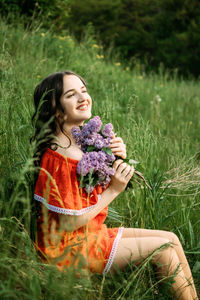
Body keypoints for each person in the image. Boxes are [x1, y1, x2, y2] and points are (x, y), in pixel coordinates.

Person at [32, 71, 198, 299]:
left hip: (89, 234)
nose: (83, 97)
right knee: (163, 251)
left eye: (84, 90)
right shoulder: (58, 155)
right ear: (56, 110)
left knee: (171, 238)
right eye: (71, 94)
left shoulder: (79, 144)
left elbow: (88, 191)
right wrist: (114, 189)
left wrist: (116, 158)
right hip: (66, 249)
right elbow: (68, 223)